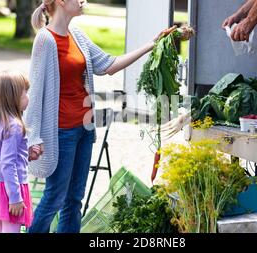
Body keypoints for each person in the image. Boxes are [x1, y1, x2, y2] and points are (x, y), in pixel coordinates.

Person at [25, 0, 173, 233]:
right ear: (61, 2)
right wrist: (32, 137)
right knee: (54, 198)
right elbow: (34, 91)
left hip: (84, 129)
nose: (82, 0)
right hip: (60, 133)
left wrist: (151, 45)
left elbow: (109, 65)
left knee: (74, 200)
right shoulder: (45, 39)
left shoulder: (77, 35)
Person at [0, 72, 35, 233]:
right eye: (25, 92)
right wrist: (15, 198)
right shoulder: (14, 126)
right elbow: (8, 164)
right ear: (13, 97)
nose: (28, 97)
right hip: (10, 188)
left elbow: (5, 156)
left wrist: (26, 153)